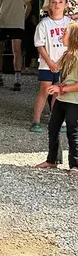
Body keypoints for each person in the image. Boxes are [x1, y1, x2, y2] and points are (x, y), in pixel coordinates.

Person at [38, 23, 78, 173]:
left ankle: (75, 164)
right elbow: (58, 70)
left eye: (65, 33)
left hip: (74, 101)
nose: (62, 36)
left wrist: (61, 88)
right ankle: (52, 159)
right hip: (62, 99)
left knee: (73, 131)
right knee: (53, 127)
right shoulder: (67, 55)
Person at [31, 0, 68, 133]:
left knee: (58, 91)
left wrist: (61, 62)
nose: (57, 5)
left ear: (65, 5)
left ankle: (56, 119)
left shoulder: (69, 24)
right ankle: (36, 121)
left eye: (60, 2)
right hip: (47, 64)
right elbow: (40, 45)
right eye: (54, 2)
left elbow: (72, 45)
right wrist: (50, 62)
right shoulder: (44, 24)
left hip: (63, 64)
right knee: (45, 91)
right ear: (49, 5)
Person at [0, 0, 33, 91]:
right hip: (17, 23)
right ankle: (17, 79)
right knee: (17, 51)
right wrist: (23, 17)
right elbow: (29, 5)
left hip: (1, 22)